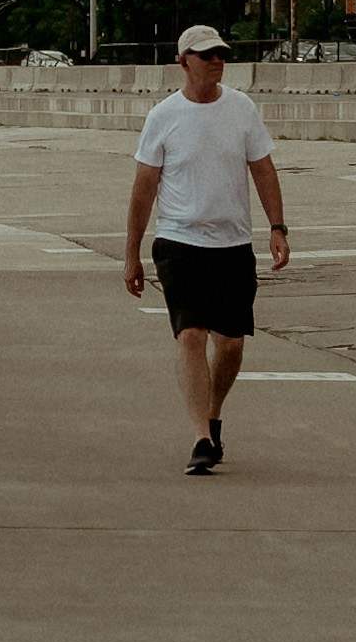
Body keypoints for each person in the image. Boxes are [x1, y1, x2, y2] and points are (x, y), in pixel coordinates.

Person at [118, 25, 289, 469]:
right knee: (191, 334)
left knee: (230, 344)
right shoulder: (164, 116)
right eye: (207, 54)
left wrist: (277, 227)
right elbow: (143, 190)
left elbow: (263, 169)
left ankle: (212, 417)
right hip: (179, 241)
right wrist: (132, 253)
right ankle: (200, 439)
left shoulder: (241, 109)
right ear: (184, 62)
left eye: (221, 54)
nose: (217, 60)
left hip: (232, 244)